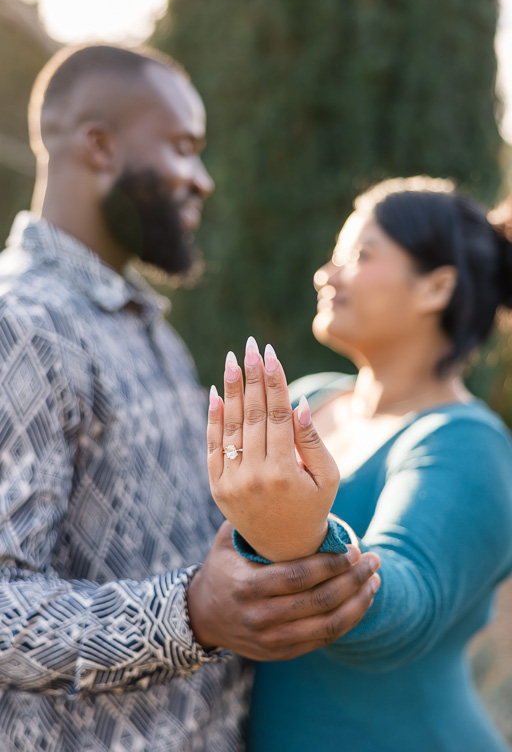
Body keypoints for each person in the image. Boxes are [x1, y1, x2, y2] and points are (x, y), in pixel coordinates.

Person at [0, 44, 381, 751]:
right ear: (100, 146)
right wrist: (190, 613)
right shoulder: (20, 325)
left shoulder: (142, 324)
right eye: (183, 148)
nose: (203, 181)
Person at [207, 176, 512, 751]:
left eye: (360, 255)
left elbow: (404, 612)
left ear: (435, 287)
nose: (327, 273)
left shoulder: (468, 444)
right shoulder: (312, 397)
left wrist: (299, 536)